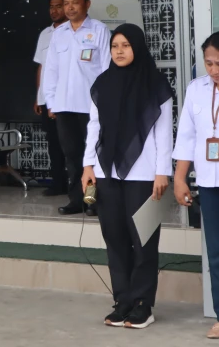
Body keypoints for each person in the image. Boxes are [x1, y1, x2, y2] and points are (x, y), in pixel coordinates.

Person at [81, 24, 173, 329]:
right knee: (115, 238)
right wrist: (88, 166)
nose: (119, 51)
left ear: (138, 47)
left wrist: (162, 172)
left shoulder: (156, 84)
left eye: (126, 45)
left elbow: (164, 133)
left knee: (143, 240)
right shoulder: (102, 83)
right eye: (114, 46)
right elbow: (94, 127)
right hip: (106, 172)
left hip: (145, 175)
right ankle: (122, 301)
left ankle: (143, 304)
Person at [43, 0, 111, 216]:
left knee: (91, 156)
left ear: (87, 4)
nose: (70, 7)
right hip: (64, 106)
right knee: (72, 156)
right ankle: (76, 200)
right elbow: (51, 70)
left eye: (75, 2)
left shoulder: (99, 30)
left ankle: (92, 201)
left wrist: (104, 102)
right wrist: (51, 102)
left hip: (91, 106)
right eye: (66, 3)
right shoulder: (59, 34)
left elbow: (106, 69)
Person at [173, 32, 219, 339]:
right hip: (210, 183)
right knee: (216, 252)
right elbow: (187, 138)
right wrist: (180, 178)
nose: (214, 70)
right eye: (209, 63)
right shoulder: (196, 89)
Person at [33, 0, 69, 197]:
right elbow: (41, 67)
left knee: (72, 143)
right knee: (53, 143)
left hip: (66, 97)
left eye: (58, 6)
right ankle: (58, 183)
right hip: (47, 98)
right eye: (51, 7)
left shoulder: (72, 31)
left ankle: (80, 186)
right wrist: (38, 96)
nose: (54, 11)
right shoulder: (45, 34)